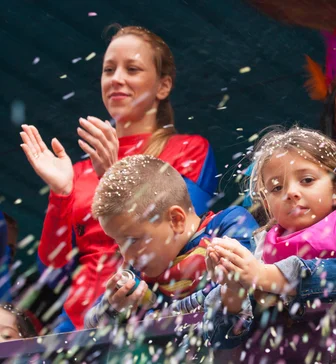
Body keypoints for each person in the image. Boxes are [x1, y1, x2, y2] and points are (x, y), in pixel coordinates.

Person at [19, 25, 217, 331]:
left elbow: (182, 234)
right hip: (77, 328)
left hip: (147, 319)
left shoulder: (188, 149)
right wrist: (61, 194)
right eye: (108, 69)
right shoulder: (77, 172)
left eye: (132, 69)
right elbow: (52, 270)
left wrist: (112, 174)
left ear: (163, 86)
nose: (116, 79)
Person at [202, 127, 336, 349]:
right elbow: (220, 340)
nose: (291, 193)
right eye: (276, 188)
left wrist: (264, 275)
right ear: (267, 205)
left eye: (306, 180)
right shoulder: (259, 249)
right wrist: (232, 289)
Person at [84, 155, 258, 328]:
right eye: (119, 244)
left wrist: (155, 313)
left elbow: (239, 286)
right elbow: (89, 326)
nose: (127, 257)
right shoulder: (137, 273)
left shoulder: (228, 226)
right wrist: (113, 308)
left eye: (133, 240)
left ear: (176, 220)